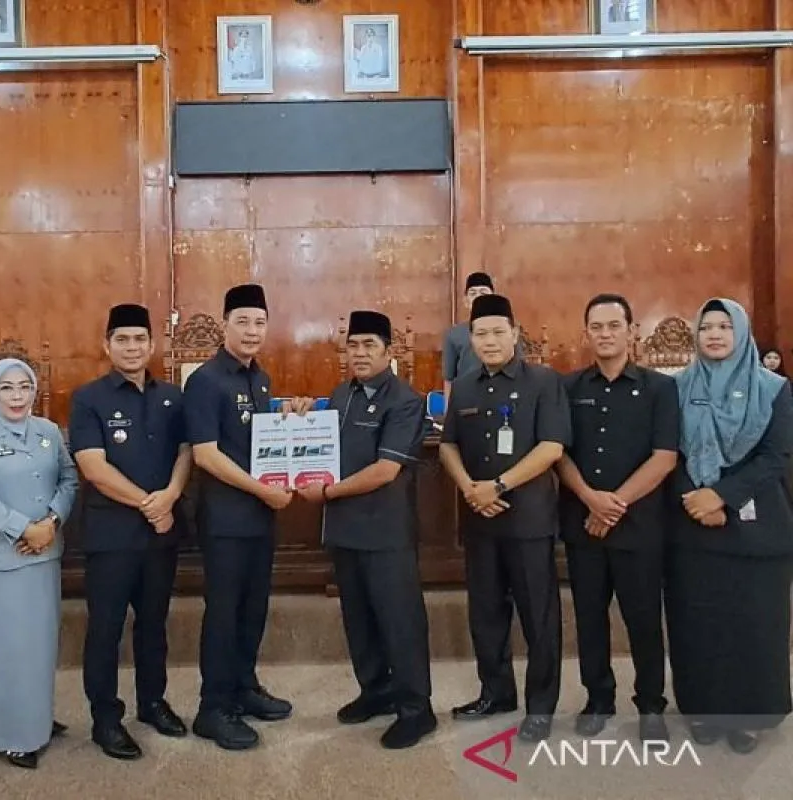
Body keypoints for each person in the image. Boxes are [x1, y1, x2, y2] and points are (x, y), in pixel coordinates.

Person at [182, 283, 313, 751]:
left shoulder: (260, 379)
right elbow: (206, 455)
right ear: (225, 325)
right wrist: (263, 491)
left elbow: (261, 441)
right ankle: (213, 708)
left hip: (259, 517)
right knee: (224, 611)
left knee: (252, 608)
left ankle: (243, 687)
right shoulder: (205, 381)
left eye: (259, 322)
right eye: (243, 322)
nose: (252, 330)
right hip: (225, 519)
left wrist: (292, 416)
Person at [297, 310, 435, 749]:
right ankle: (376, 691)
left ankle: (417, 709)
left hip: (385, 533)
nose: (359, 353)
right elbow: (321, 443)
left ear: (388, 352)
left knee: (399, 621)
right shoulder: (342, 394)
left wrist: (327, 492)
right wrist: (299, 414)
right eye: (353, 345)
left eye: (369, 346)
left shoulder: (405, 400)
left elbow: (385, 470)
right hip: (345, 530)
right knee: (359, 620)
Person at [439, 293, 569, 743]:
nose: (490, 341)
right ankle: (495, 693)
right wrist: (469, 488)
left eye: (498, 332)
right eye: (481, 333)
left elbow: (551, 448)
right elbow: (448, 445)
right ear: (470, 338)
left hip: (528, 520)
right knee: (486, 614)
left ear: (515, 334)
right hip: (480, 519)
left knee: (539, 617)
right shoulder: (465, 385)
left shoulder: (544, 381)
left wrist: (497, 486)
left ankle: (541, 707)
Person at [666, 298, 793, 755]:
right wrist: (696, 500)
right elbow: (667, 453)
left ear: (742, 333)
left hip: (756, 531)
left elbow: (776, 456)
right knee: (697, 624)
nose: (715, 334)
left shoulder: (773, 388)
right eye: (707, 327)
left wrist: (721, 496)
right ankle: (703, 709)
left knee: (754, 625)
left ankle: (750, 716)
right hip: (692, 528)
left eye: (725, 326)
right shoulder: (676, 388)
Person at [69, 304, 193, 760]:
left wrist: (171, 496)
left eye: (140, 339)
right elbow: (93, 467)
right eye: (122, 339)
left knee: (154, 624)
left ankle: (152, 702)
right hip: (112, 535)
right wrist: (150, 504)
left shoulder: (173, 396)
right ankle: (105, 718)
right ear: (107, 345)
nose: (132, 347)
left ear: (152, 344)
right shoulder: (89, 398)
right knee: (106, 628)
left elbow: (186, 451)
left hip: (161, 533)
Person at [555, 294, 678, 742]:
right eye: (597, 326)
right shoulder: (568, 388)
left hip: (639, 527)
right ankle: (598, 698)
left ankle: (651, 705)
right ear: (586, 333)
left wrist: (612, 506)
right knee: (589, 618)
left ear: (631, 330)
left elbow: (664, 458)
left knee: (643, 619)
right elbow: (558, 453)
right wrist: (591, 500)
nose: (605, 334)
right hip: (582, 524)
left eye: (614, 325)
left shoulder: (660, 388)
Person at [0, 358, 78, 770]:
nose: (17, 396)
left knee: (40, 644)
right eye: (6, 388)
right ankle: (13, 736)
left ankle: (37, 720)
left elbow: (69, 479)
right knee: (8, 648)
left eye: (25, 386)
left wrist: (51, 523)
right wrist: (23, 530)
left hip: (44, 554)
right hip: (1, 558)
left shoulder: (48, 431)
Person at [443, 272, 523, 405]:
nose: (478, 297)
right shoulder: (454, 334)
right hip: (468, 396)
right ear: (466, 301)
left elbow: (519, 367)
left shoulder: (508, 330)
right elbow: (449, 378)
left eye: (483, 292)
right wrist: (448, 409)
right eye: (473, 293)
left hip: (505, 394)